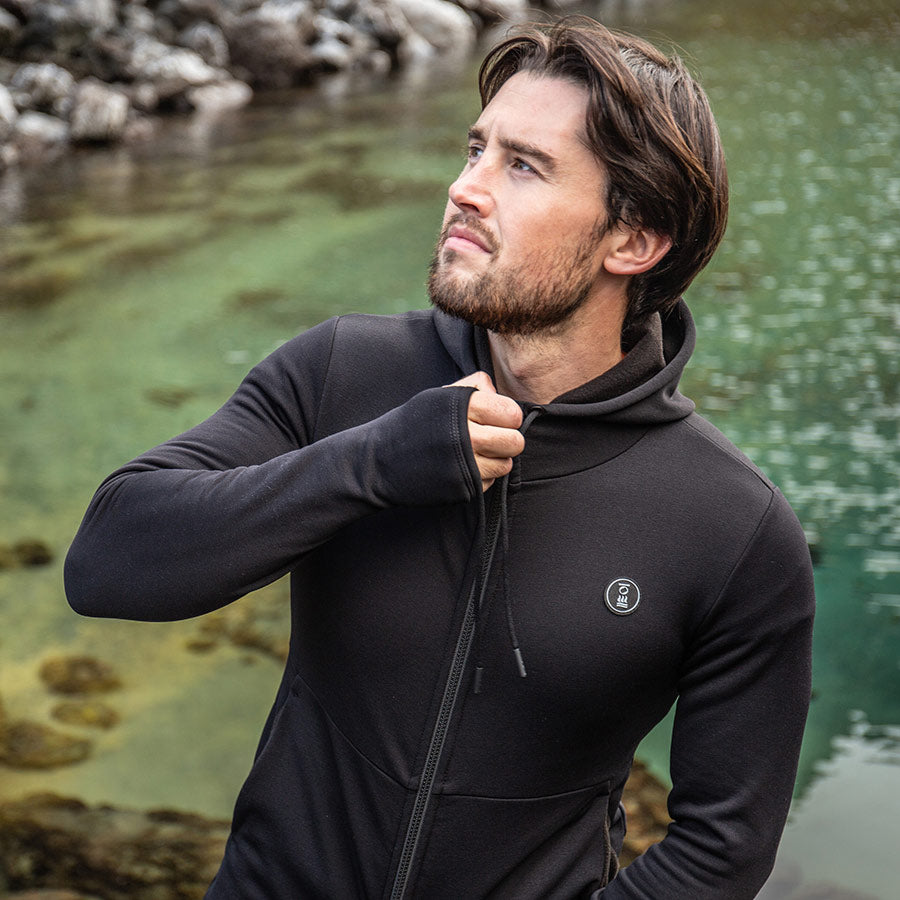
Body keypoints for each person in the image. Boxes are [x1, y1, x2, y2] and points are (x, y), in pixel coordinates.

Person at [64, 16, 815, 899]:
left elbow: (724, 847)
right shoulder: (344, 372)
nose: (465, 188)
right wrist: (368, 467)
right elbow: (107, 563)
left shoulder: (733, 527)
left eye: (523, 166)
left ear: (634, 240)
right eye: (475, 149)